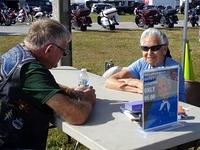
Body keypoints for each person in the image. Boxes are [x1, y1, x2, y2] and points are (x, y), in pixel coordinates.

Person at [0, 18, 96, 149]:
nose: (63, 55)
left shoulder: (18, 53)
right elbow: (75, 115)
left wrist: (70, 91)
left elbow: (39, 85)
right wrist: (88, 99)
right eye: (63, 52)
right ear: (49, 49)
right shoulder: (32, 71)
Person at [105, 28, 185, 102]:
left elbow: (161, 96)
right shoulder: (141, 63)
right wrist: (136, 88)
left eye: (154, 48)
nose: (149, 53)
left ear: (164, 49)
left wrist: (136, 83)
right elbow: (109, 81)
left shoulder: (173, 68)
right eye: (145, 48)